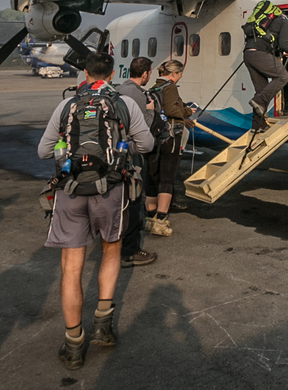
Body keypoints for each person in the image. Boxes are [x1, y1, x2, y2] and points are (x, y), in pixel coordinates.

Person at [37, 51, 154, 370]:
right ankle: (103, 324)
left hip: (71, 190)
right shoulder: (125, 104)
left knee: (71, 267)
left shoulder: (66, 105)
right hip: (111, 189)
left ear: (85, 72)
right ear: (113, 72)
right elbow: (147, 145)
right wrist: (123, 146)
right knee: (110, 252)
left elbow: (43, 150)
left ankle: (74, 344)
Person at [114, 56, 158, 268]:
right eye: (150, 72)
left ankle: (116, 246)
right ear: (145, 74)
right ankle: (130, 251)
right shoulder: (138, 96)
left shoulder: (118, 89)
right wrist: (150, 111)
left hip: (114, 154)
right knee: (133, 202)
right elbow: (143, 129)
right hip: (131, 155)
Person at [145, 59, 193, 237]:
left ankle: (150, 218)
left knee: (152, 177)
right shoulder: (170, 87)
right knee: (167, 178)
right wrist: (187, 112)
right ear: (173, 73)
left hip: (154, 136)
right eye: (180, 74)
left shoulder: (154, 87)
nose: (180, 77)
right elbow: (172, 110)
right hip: (170, 137)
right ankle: (161, 220)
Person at [243, 1, 288, 131]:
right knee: (283, 77)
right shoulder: (285, 21)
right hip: (259, 54)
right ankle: (258, 101)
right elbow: (284, 44)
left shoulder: (269, 23)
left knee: (262, 89)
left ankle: (257, 125)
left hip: (248, 54)